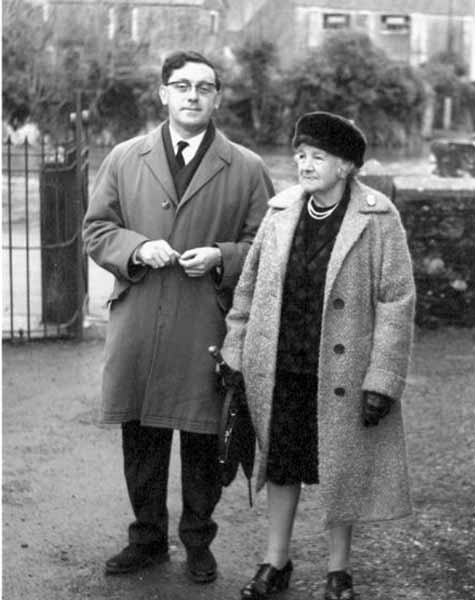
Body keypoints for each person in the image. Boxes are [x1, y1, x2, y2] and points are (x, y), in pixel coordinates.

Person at [83, 50, 273, 584]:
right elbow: (97, 229)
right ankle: (145, 538)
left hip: (205, 322)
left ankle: (197, 542)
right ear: (163, 93)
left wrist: (221, 256)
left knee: (201, 437)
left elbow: (264, 245)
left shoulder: (248, 167)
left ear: (217, 98)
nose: (193, 95)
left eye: (204, 87)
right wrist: (138, 249)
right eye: (182, 85)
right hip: (141, 319)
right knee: (140, 434)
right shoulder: (124, 157)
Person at [220, 111, 416, 600]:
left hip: (344, 372)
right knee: (282, 463)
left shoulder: (378, 217)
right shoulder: (281, 210)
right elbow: (248, 289)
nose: (305, 165)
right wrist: (236, 352)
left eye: (318, 157)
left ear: (346, 166)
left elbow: (397, 300)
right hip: (284, 364)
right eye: (301, 156)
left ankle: (338, 570)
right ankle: (275, 560)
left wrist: (383, 379)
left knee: (339, 468)